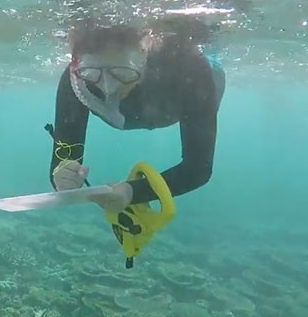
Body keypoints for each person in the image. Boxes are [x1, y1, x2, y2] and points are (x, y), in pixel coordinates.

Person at [48, 15, 226, 213]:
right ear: (76, 65)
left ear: (143, 58)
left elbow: (198, 169)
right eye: (92, 73)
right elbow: (64, 161)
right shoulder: (75, 81)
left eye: (122, 73)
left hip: (193, 88)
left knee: (210, 60)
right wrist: (63, 178)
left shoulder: (191, 70)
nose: (109, 88)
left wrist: (132, 192)